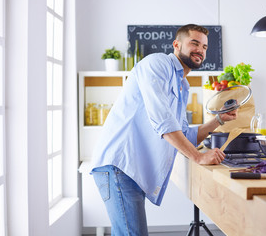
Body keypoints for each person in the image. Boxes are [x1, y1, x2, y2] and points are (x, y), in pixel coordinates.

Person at [91, 24, 237, 236]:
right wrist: (198, 157)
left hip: (130, 170)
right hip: (119, 165)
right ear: (176, 45)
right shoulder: (157, 64)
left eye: (204, 46)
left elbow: (184, 133)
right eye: (194, 43)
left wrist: (218, 120)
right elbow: (162, 120)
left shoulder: (182, 84)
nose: (200, 50)